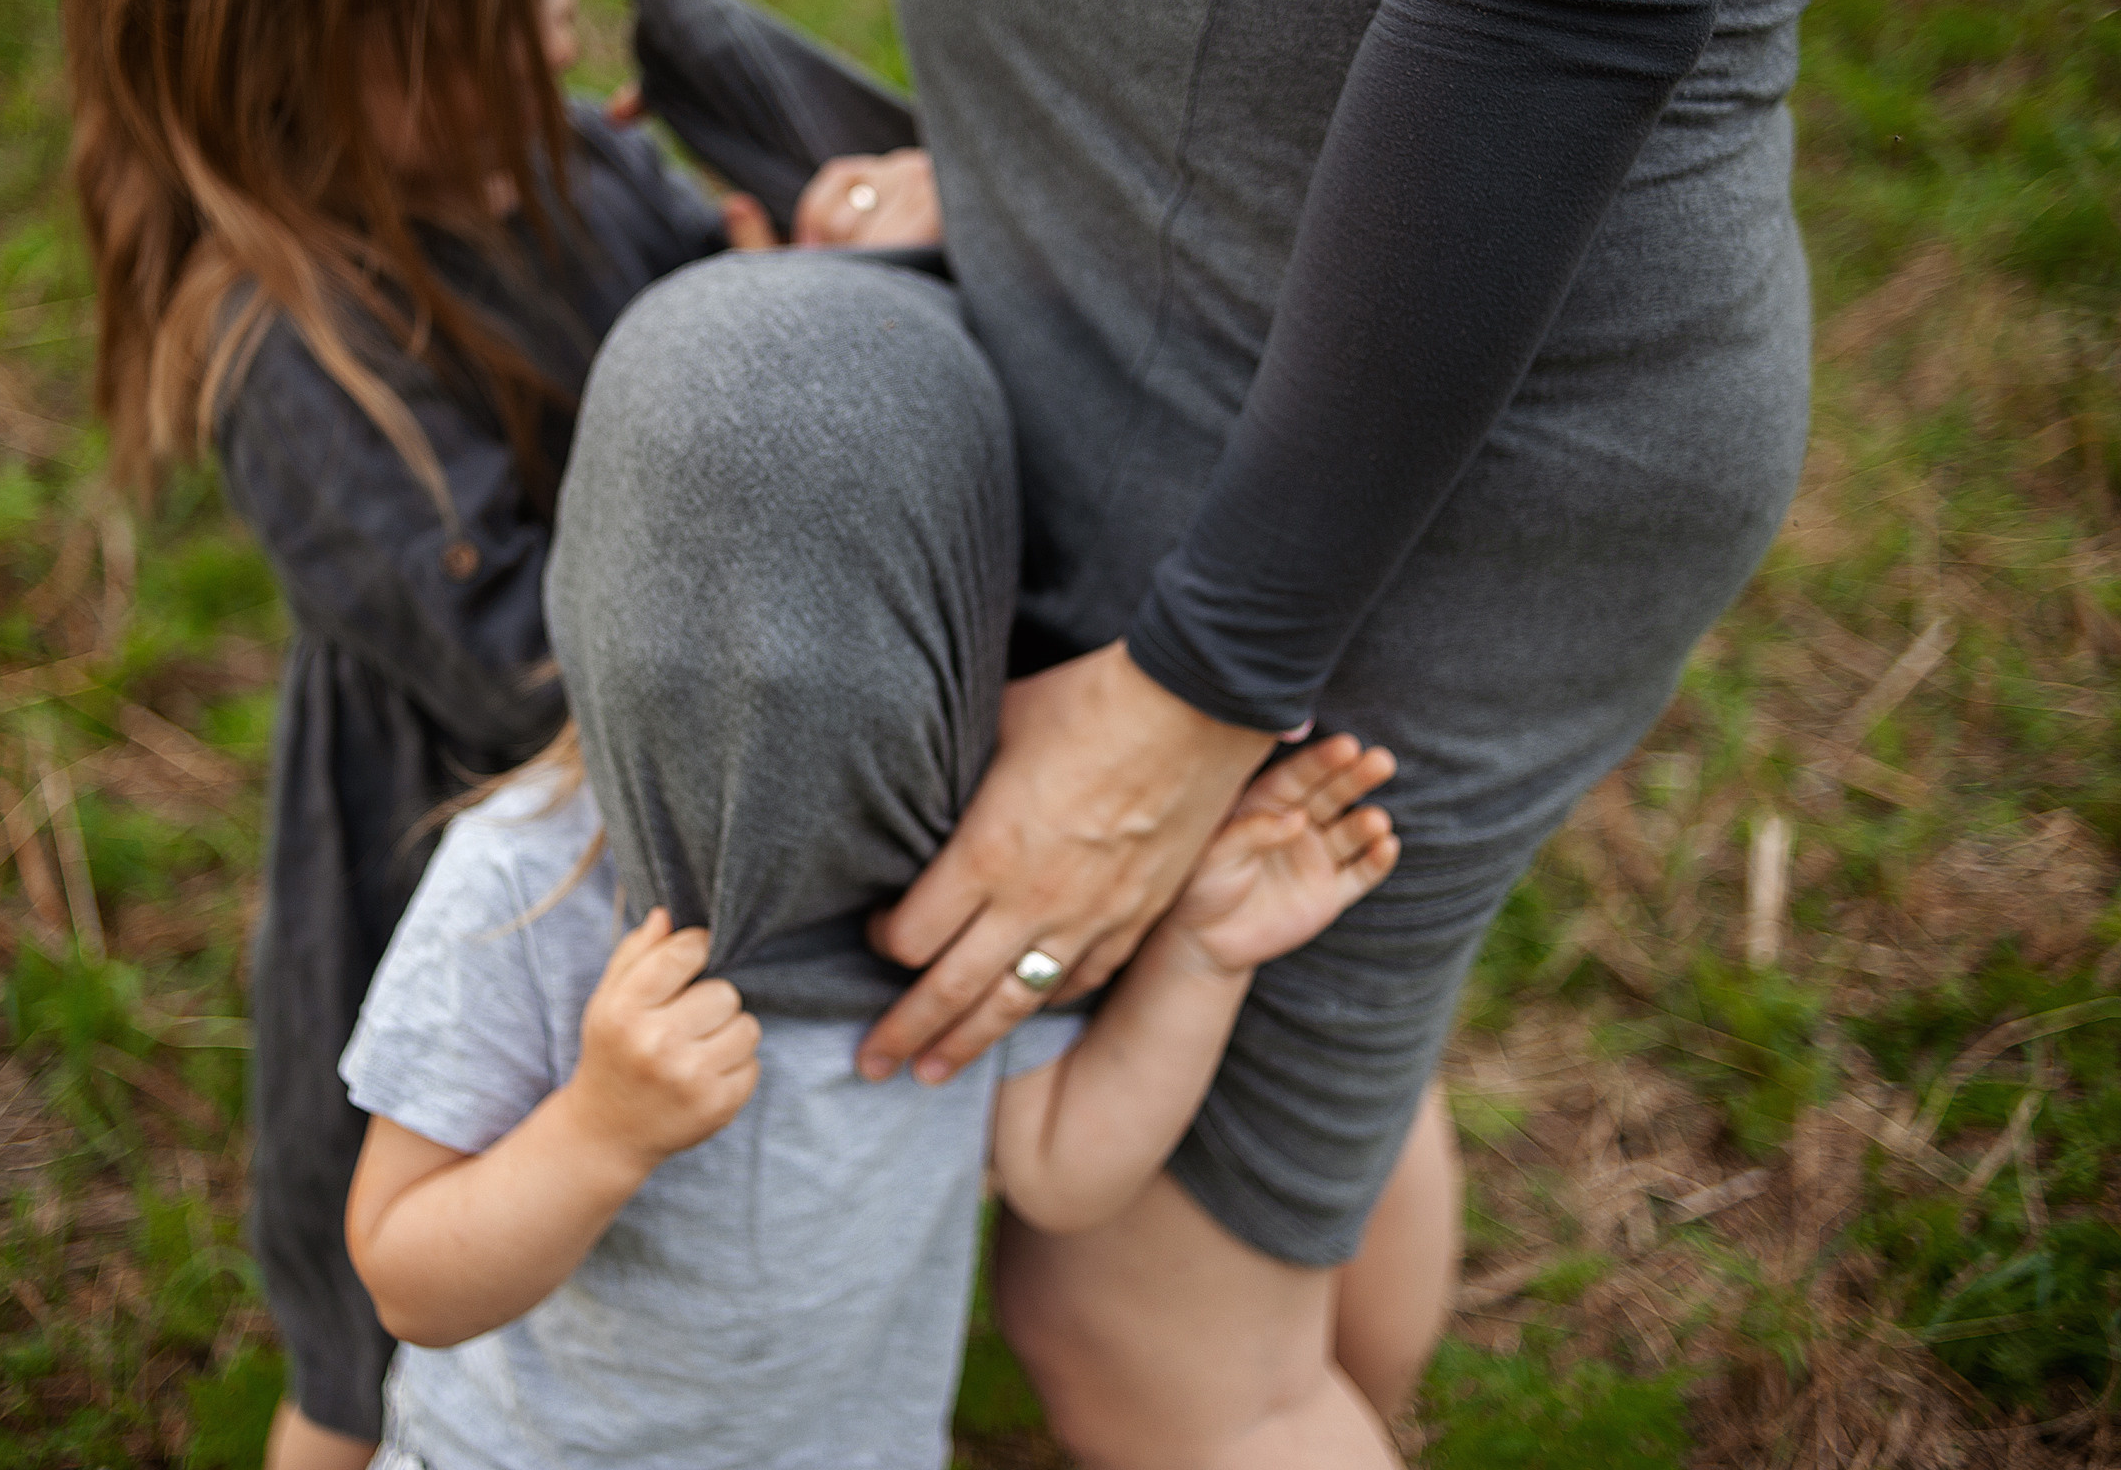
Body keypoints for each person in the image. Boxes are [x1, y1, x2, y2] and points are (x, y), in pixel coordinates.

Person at [584, 0, 1912, 1462]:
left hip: (1392, 460)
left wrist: (1202, 683)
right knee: (1301, 1141)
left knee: (1160, 1340)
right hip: (1245, 363)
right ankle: (1344, 1401)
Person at [334, 260, 1404, 1464]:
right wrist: (597, 1132)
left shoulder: (970, 881)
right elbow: (410, 1279)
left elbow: (1057, 1169)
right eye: (696, 660)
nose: (769, 729)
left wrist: (1201, 957)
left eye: (846, 691)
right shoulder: (523, 890)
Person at [58, 0, 803, 1460]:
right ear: (294, 61)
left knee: (607, 1250)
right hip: (449, 847)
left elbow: (707, 284)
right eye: (494, 17)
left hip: (640, 773)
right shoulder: (287, 351)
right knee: (373, 1297)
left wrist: (787, 278)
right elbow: (512, 663)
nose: (554, 42)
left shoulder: (562, 164)